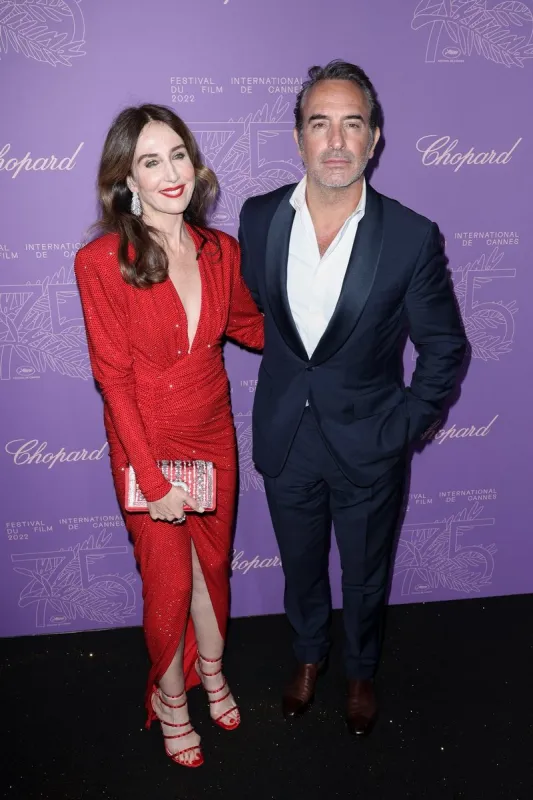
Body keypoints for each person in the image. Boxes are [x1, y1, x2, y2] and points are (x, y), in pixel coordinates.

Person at [238, 60, 467, 736]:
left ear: (373, 139)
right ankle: (308, 658)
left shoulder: (408, 235)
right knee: (301, 565)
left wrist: (405, 427)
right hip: (286, 436)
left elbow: (444, 346)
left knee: (365, 575)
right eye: (319, 124)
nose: (335, 141)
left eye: (351, 124)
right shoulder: (257, 219)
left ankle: (360, 669)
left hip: (369, 440)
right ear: (298, 137)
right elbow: (253, 317)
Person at [74, 104, 263, 767]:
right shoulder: (102, 260)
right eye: (150, 161)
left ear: (194, 162)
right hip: (147, 442)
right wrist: (152, 481)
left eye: (177, 154)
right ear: (127, 178)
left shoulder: (220, 251)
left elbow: (250, 326)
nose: (170, 172)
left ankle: (212, 672)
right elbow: (114, 381)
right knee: (169, 585)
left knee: (210, 573)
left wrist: (326, 329)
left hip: (213, 432)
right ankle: (170, 698)